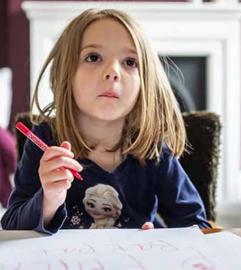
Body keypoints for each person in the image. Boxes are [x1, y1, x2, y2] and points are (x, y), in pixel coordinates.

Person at [1, 9, 210, 233]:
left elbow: (197, 226)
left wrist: (162, 240)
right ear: (65, 73)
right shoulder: (45, 140)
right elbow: (12, 226)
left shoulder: (153, 149)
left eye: (130, 62)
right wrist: (48, 199)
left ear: (145, 82)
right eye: (93, 57)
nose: (112, 72)